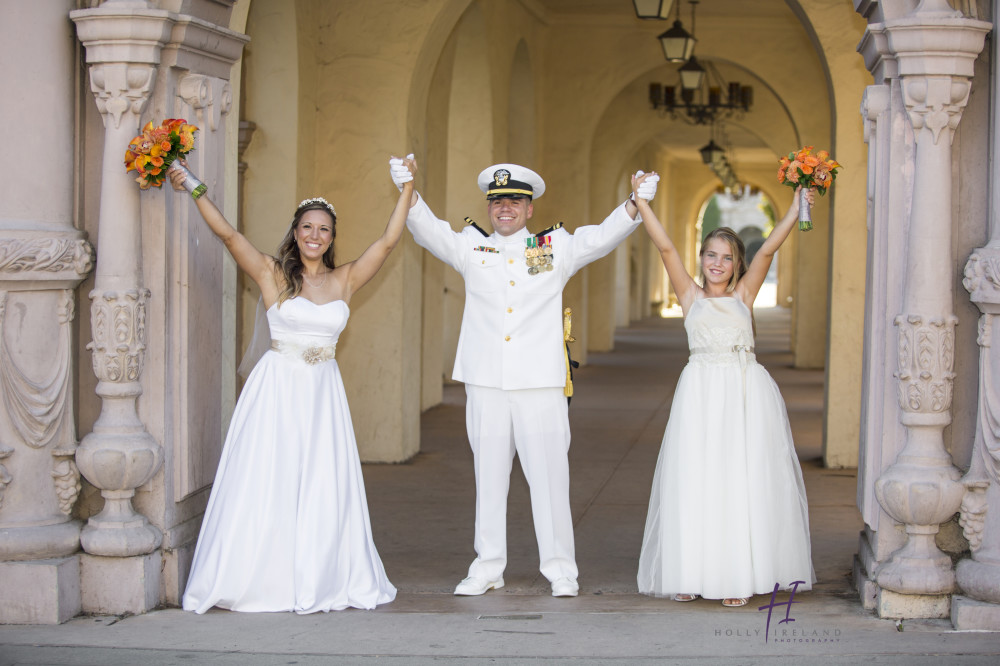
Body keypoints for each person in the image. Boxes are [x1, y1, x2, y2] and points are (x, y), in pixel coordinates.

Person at [389, 155, 658, 597]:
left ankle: (560, 569)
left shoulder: (556, 247)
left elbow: (601, 237)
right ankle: (487, 566)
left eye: (515, 201)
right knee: (488, 476)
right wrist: (408, 191)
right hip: (486, 380)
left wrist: (634, 202)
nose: (505, 209)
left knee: (550, 477)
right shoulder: (470, 246)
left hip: (539, 382)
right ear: (489, 207)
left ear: (530, 208)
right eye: (498, 202)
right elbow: (428, 229)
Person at [172, 155, 414, 614]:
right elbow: (228, 234)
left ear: (332, 237)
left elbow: (386, 242)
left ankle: (321, 573)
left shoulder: (346, 280)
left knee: (322, 482)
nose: (314, 236)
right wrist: (193, 185)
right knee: (271, 477)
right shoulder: (273, 274)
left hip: (323, 393)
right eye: (307, 227)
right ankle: (263, 576)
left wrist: (406, 189)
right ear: (296, 231)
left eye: (323, 229)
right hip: (278, 388)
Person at [633, 173, 816, 607]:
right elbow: (665, 248)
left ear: (737, 264)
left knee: (738, 478)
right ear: (702, 258)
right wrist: (641, 204)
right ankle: (690, 572)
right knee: (695, 478)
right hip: (699, 393)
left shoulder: (745, 295)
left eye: (727, 257)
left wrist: (795, 207)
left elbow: (770, 246)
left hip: (742, 391)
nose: (718, 263)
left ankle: (736, 577)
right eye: (711, 255)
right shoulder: (690, 295)